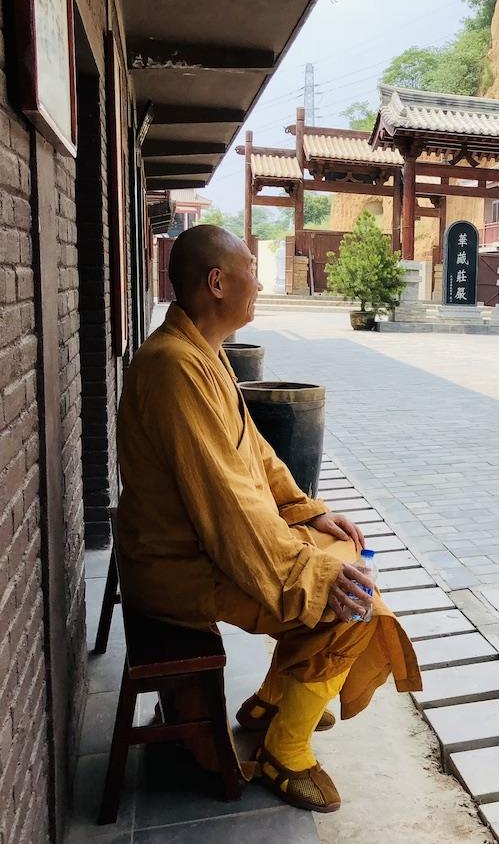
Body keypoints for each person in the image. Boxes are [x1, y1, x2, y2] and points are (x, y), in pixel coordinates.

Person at [115, 224, 420, 812]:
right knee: (355, 607)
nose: (259, 281)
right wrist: (310, 573)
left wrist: (309, 512)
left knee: (342, 560)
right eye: (251, 269)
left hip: (200, 548)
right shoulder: (175, 368)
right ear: (217, 283)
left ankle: (271, 699)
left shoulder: (199, 353)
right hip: (180, 568)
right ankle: (286, 753)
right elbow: (229, 506)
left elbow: (256, 456)